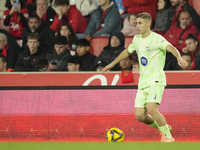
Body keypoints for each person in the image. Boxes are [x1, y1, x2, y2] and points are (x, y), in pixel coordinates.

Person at [103, 12, 187, 142]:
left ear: (149, 24)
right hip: (143, 81)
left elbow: (171, 47)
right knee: (140, 116)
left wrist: (179, 58)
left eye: (140, 23)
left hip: (156, 79)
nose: (137, 26)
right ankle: (163, 128)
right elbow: (127, 51)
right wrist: (112, 63)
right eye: (136, 23)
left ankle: (168, 137)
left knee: (152, 109)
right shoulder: (136, 39)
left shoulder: (156, 38)